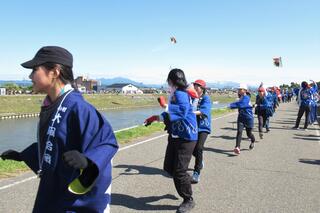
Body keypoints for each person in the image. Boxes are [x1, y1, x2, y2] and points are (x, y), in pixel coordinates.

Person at [0, 46, 118, 213]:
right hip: (52, 193)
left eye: (35, 70)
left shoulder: (79, 108)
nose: (30, 76)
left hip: (70, 203)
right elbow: (54, 145)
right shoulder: (53, 104)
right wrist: (23, 155)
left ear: (54, 72)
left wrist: (88, 161)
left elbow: (106, 143)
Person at [144, 68, 198, 213]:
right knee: (169, 167)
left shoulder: (180, 94)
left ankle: (188, 199)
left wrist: (164, 112)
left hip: (186, 137)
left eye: (168, 81)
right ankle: (185, 181)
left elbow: (181, 111)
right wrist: (155, 118)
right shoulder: (176, 93)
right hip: (175, 136)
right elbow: (170, 111)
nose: (168, 84)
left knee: (179, 172)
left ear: (172, 81)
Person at [191, 79, 211, 184]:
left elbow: (204, 111)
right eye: (194, 85)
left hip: (203, 127)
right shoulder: (192, 97)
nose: (195, 88)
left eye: (197, 86)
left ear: (202, 88)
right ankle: (200, 160)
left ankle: (196, 173)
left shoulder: (206, 98)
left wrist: (190, 113)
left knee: (199, 148)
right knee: (192, 149)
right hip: (193, 127)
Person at [228, 83, 255, 154]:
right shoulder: (240, 97)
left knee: (249, 134)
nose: (239, 90)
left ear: (245, 90)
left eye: (240, 89)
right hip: (241, 118)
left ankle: (253, 141)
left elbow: (241, 105)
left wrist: (231, 105)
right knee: (239, 132)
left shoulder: (247, 97)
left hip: (248, 118)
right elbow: (238, 103)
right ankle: (237, 147)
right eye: (238, 89)